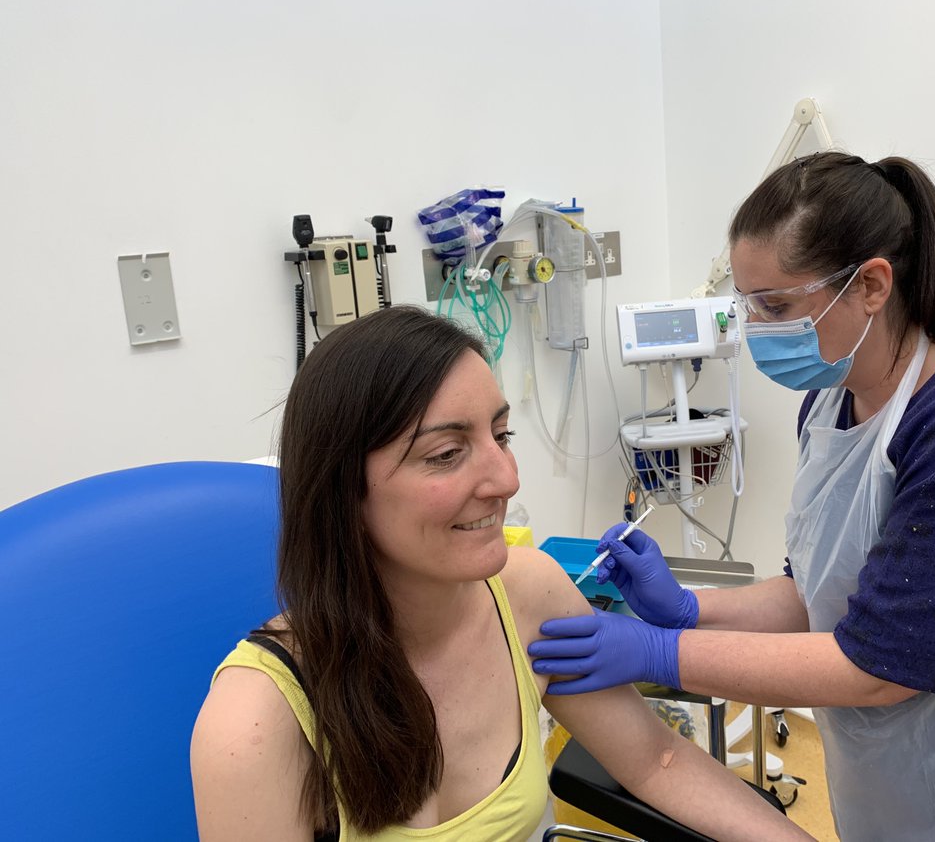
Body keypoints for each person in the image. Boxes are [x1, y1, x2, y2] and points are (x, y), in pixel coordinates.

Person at [528, 152, 935, 841]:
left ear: (870, 284)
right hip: (925, 761)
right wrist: (692, 610)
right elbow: (823, 589)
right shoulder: (833, 400)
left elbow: (879, 667)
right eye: (746, 305)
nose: (755, 330)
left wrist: (662, 652)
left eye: (774, 306)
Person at [190, 305, 812, 842]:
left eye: (501, 435)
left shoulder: (529, 592)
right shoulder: (256, 720)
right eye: (447, 454)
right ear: (341, 489)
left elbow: (659, 762)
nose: (507, 480)